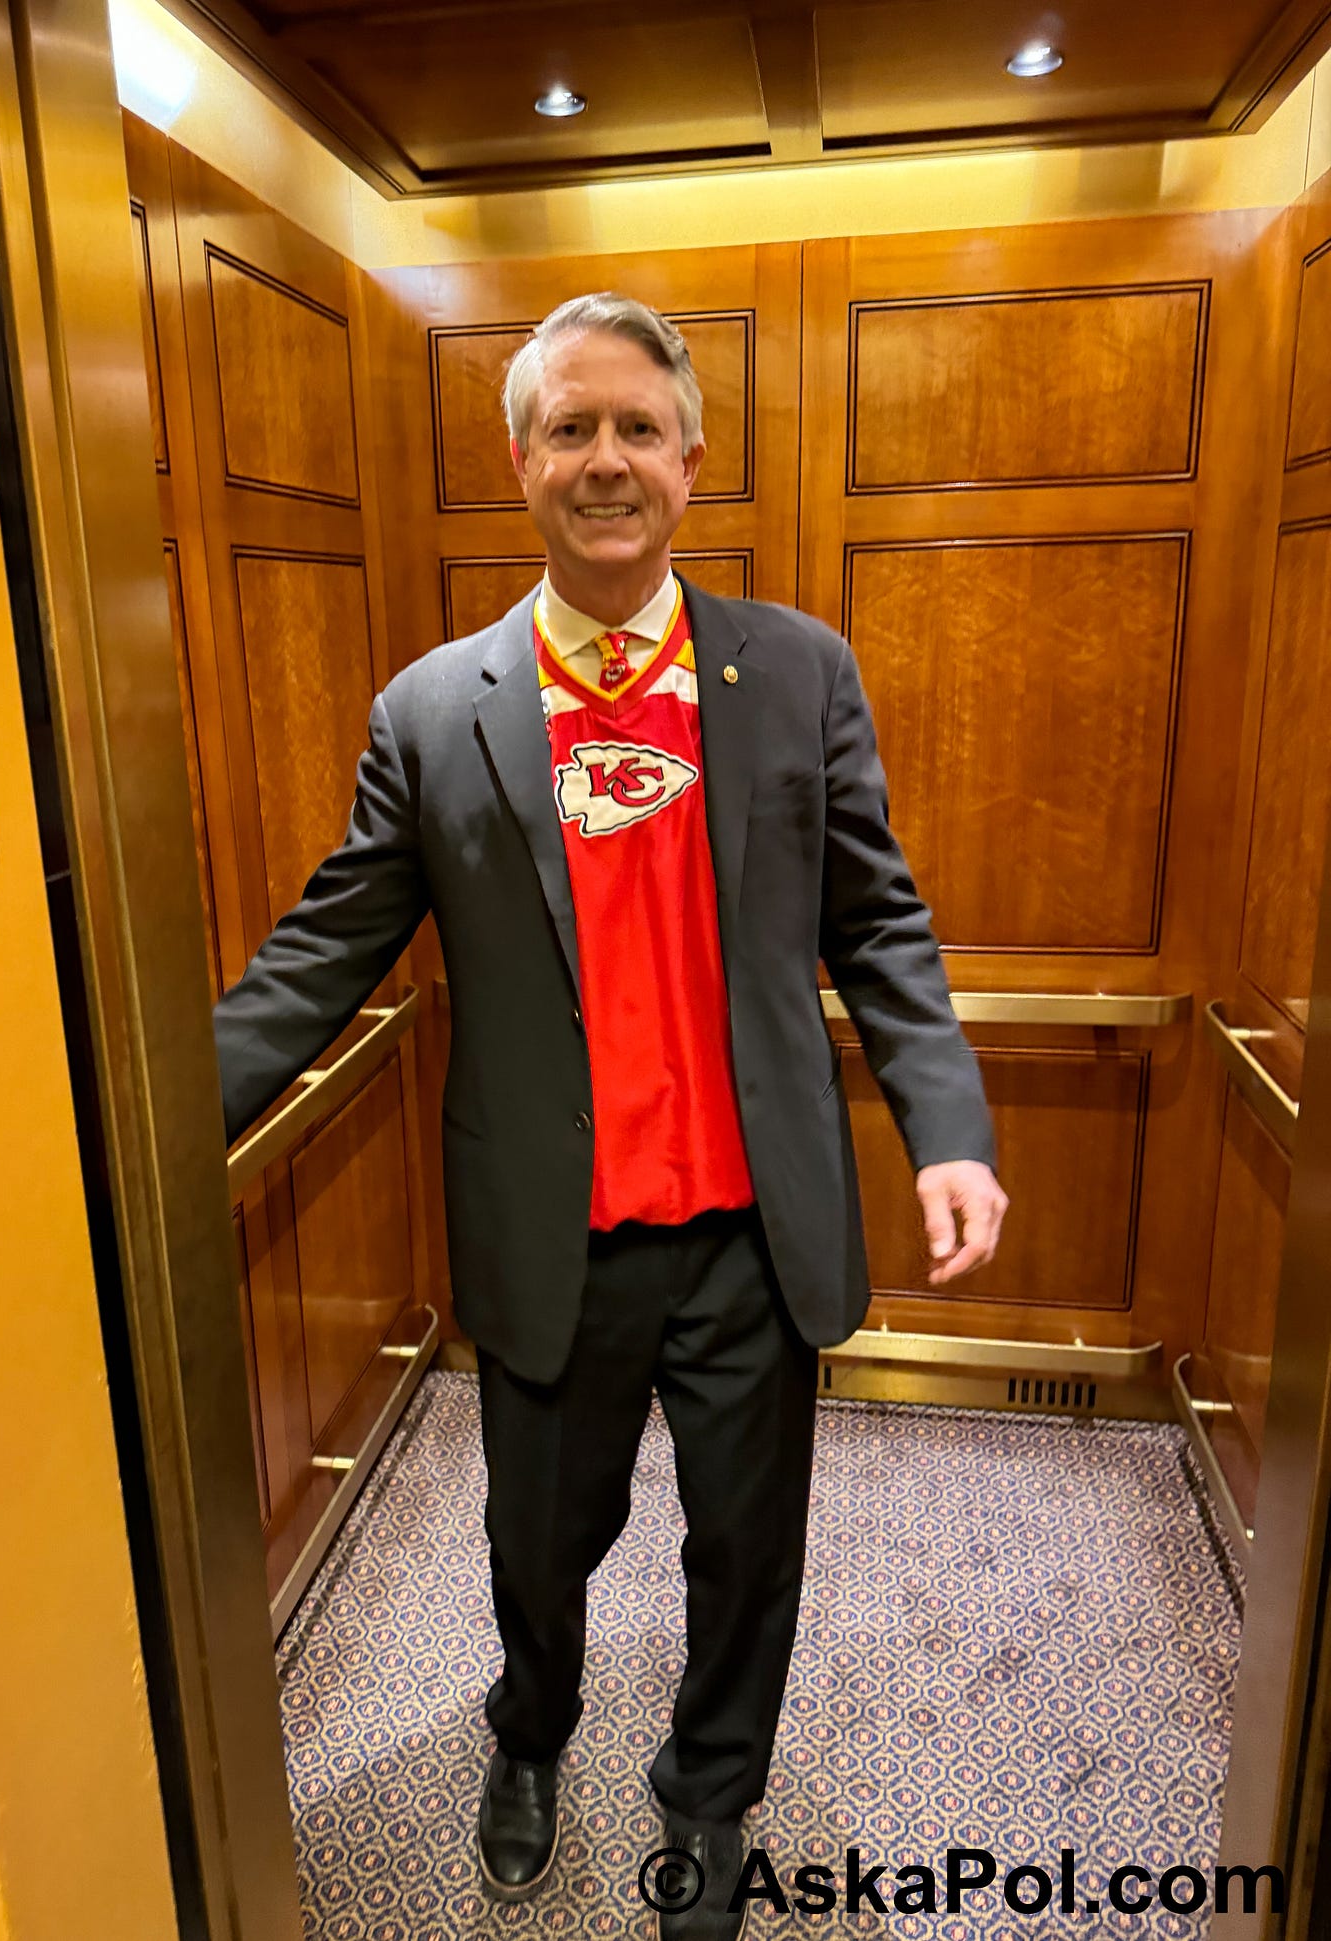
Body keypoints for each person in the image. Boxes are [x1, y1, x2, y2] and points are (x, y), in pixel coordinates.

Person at [213, 292, 1007, 1940]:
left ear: (691, 462)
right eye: (570, 427)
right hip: (552, 1236)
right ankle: (530, 1731)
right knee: (536, 1541)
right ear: (520, 460)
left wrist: (950, 1126)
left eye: (636, 428)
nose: (604, 460)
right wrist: (145, 1128)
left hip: (748, 1232)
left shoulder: (793, 673)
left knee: (748, 1554)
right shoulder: (436, 712)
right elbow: (321, 949)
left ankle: (709, 1794)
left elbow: (882, 923)